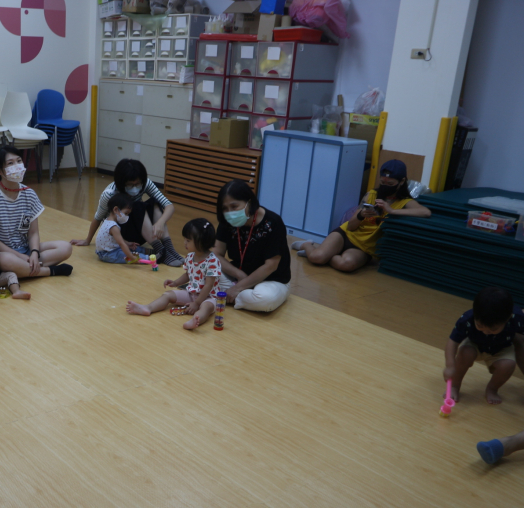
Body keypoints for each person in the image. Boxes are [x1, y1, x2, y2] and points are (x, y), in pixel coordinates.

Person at [291, 160, 432, 272]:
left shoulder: (405, 202)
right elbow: (351, 226)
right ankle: (308, 245)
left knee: (346, 265)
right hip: (347, 234)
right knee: (317, 258)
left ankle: (327, 253)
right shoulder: (371, 195)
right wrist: (360, 216)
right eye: (383, 182)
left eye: (390, 184)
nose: (385, 186)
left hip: (364, 247)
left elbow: (426, 212)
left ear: (401, 182)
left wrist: (392, 211)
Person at [0, 146, 73, 280]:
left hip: (25, 250)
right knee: (6, 260)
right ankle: (49, 271)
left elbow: (33, 233)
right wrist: (19, 256)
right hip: (2, 252)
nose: (17, 166)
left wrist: (34, 253)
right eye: (10, 163)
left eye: (19, 161)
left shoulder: (29, 194)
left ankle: (24, 269)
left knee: (65, 247)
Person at [72, 158, 184, 267]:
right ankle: (161, 251)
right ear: (122, 183)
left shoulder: (145, 183)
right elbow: (98, 217)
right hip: (120, 233)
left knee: (155, 202)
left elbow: (169, 206)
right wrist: (87, 240)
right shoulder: (110, 193)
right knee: (138, 206)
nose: (135, 188)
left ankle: (169, 250)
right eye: (130, 184)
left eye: (138, 184)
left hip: (141, 230)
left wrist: (160, 222)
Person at [126, 219, 223, 330]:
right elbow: (188, 274)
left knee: (206, 308)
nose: (184, 243)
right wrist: (175, 282)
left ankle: (195, 320)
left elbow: (208, 285)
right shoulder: (190, 256)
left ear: (201, 241)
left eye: (188, 240)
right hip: (192, 294)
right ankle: (148, 308)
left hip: (208, 297)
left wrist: (197, 303)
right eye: (185, 239)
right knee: (168, 295)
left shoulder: (212, 261)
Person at [213, 179, 291, 313]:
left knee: (265, 299)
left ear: (249, 202)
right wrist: (239, 275)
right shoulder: (227, 221)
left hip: (270, 280)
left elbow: (271, 266)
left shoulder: (273, 223)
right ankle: (235, 296)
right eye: (225, 208)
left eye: (234, 206)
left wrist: (238, 288)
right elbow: (216, 254)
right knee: (202, 272)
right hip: (238, 276)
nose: (229, 212)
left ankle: (224, 296)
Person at [443, 287, 524, 405]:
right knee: (465, 353)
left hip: (502, 347)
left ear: (507, 319)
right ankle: (455, 386)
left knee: (508, 365)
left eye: (493, 328)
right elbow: (452, 342)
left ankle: (492, 388)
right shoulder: (467, 319)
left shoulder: (516, 318)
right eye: (480, 325)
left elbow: (521, 343)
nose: (486, 331)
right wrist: (450, 366)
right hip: (474, 344)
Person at [94, 194, 149, 265]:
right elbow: (121, 244)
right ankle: (150, 258)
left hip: (109, 250)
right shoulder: (113, 227)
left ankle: (150, 252)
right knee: (124, 254)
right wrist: (131, 257)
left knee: (133, 248)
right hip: (107, 254)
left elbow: (118, 240)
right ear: (116, 210)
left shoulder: (107, 221)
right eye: (126, 213)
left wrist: (128, 243)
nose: (127, 216)